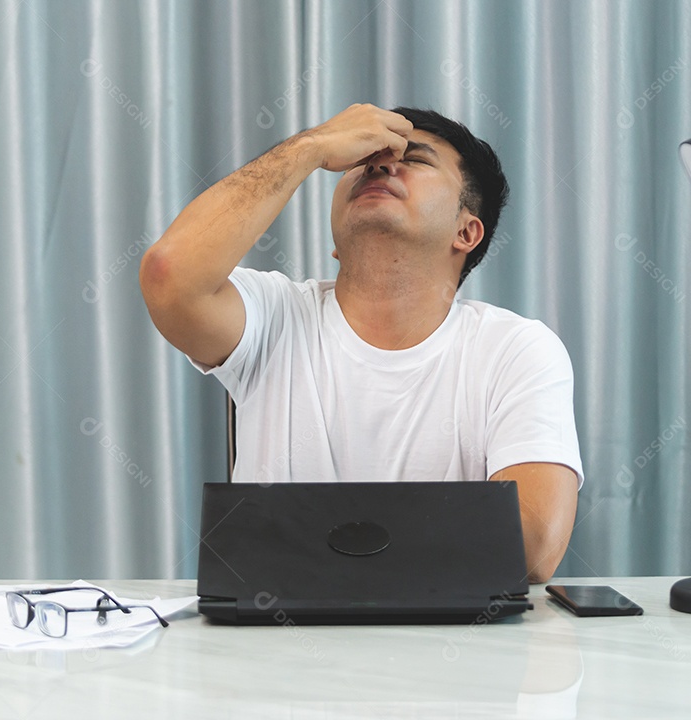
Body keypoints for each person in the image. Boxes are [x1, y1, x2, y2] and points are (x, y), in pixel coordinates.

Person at [139, 103, 583, 582]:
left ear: (466, 231)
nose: (380, 164)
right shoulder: (274, 315)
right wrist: (310, 147)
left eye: (415, 159)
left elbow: (533, 547)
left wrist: (320, 541)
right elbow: (170, 277)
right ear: (335, 241)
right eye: (364, 158)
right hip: (273, 647)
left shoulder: (515, 350)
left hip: (454, 649)